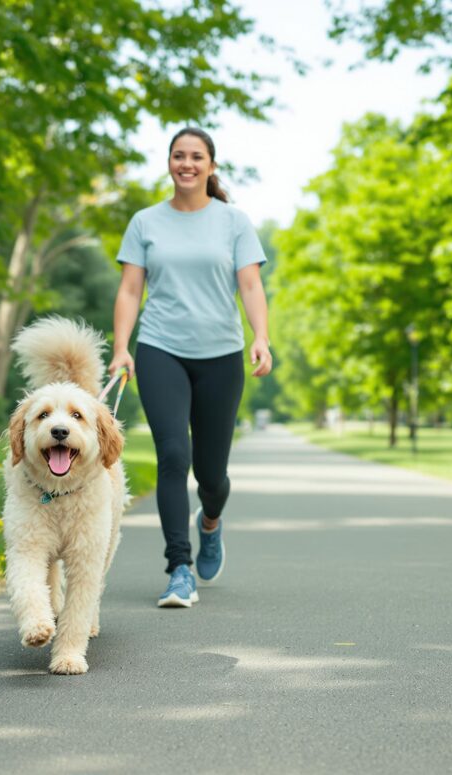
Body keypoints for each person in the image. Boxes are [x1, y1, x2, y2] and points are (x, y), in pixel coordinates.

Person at [109, 126, 272, 608]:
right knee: (173, 456)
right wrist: (122, 347)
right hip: (162, 350)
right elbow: (129, 291)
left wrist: (260, 336)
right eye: (178, 155)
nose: (187, 163)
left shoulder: (234, 221)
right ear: (169, 163)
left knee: (211, 474)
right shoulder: (145, 222)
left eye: (196, 156)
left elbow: (250, 286)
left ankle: (211, 523)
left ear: (211, 165)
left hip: (221, 356)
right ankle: (179, 568)